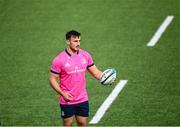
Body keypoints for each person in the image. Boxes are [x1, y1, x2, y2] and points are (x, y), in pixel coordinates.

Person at [49, 30, 103, 126]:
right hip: (67, 99)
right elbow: (52, 79)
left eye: (79, 41)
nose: (78, 44)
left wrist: (106, 77)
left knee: (82, 123)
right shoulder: (59, 59)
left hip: (82, 98)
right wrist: (62, 93)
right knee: (68, 123)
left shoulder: (85, 55)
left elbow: (96, 72)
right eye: (75, 41)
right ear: (68, 41)